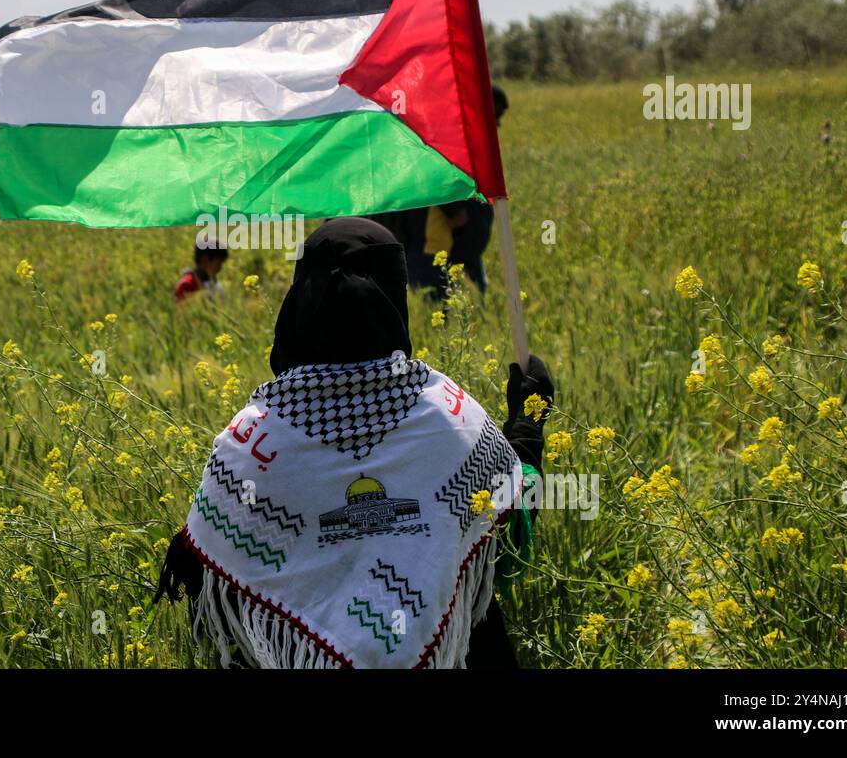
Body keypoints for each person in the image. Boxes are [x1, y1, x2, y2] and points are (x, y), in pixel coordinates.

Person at [156, 217, 553, 668]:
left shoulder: (252, 443)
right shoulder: (448, 416)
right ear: (394, 299)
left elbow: (210, 594)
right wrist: (527, 424)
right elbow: (510, 527)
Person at [365, 84, 509, 297]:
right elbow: (426, 168)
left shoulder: (464, 136)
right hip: (432, 248)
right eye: (494, 114)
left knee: (472, 314)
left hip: (463, 251)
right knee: (439, 310)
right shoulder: (436, 129)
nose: (497, 123)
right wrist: (454, 210)